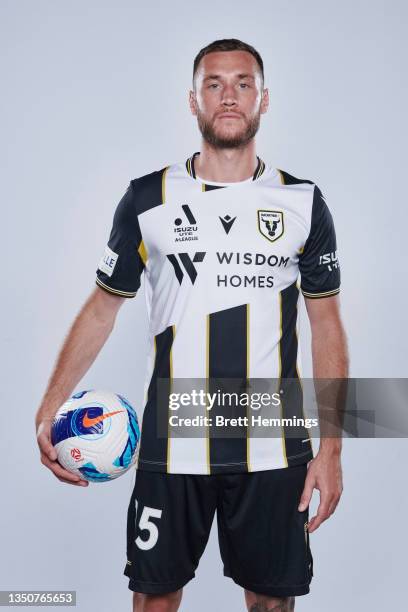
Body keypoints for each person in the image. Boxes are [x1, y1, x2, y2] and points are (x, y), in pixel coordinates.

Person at [35, 38, 348, 612]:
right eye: (214, 83)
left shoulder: (302, 202)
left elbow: (326, 324)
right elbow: (104, 307)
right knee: (154, 601)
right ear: (193, 99)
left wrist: (331, 448)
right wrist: (49, 406)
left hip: (274, 448)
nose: (228, 96)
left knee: (273, 604)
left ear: (263, 99)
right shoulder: (146, 198)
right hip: (171, 443)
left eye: (242, 83)